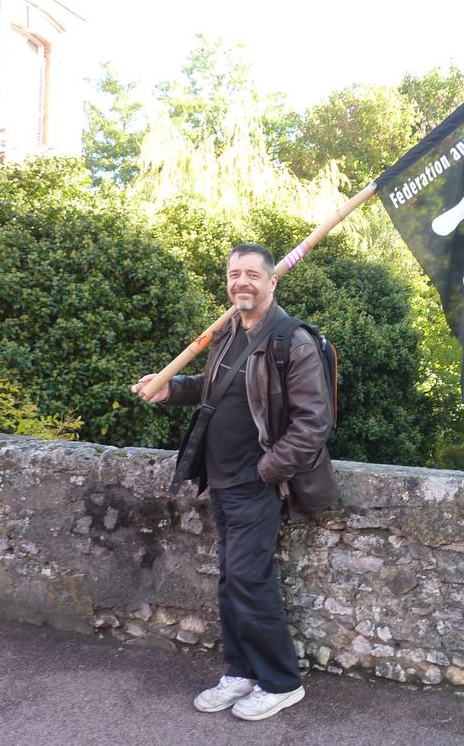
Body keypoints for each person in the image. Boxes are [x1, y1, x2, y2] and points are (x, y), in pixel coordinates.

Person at [131, 243, 334, 721]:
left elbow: (313, 424)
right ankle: (241, 670)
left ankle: (282, 682)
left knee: (248, 578)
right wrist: (170, 389)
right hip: (220, 479)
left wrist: (265, 472)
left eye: (252, 275)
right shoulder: (227, 332)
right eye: (234, 274)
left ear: (272, 281)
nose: (241, 282)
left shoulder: (292, 339)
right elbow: (212, 387)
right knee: (231, 581)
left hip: (258, 482)